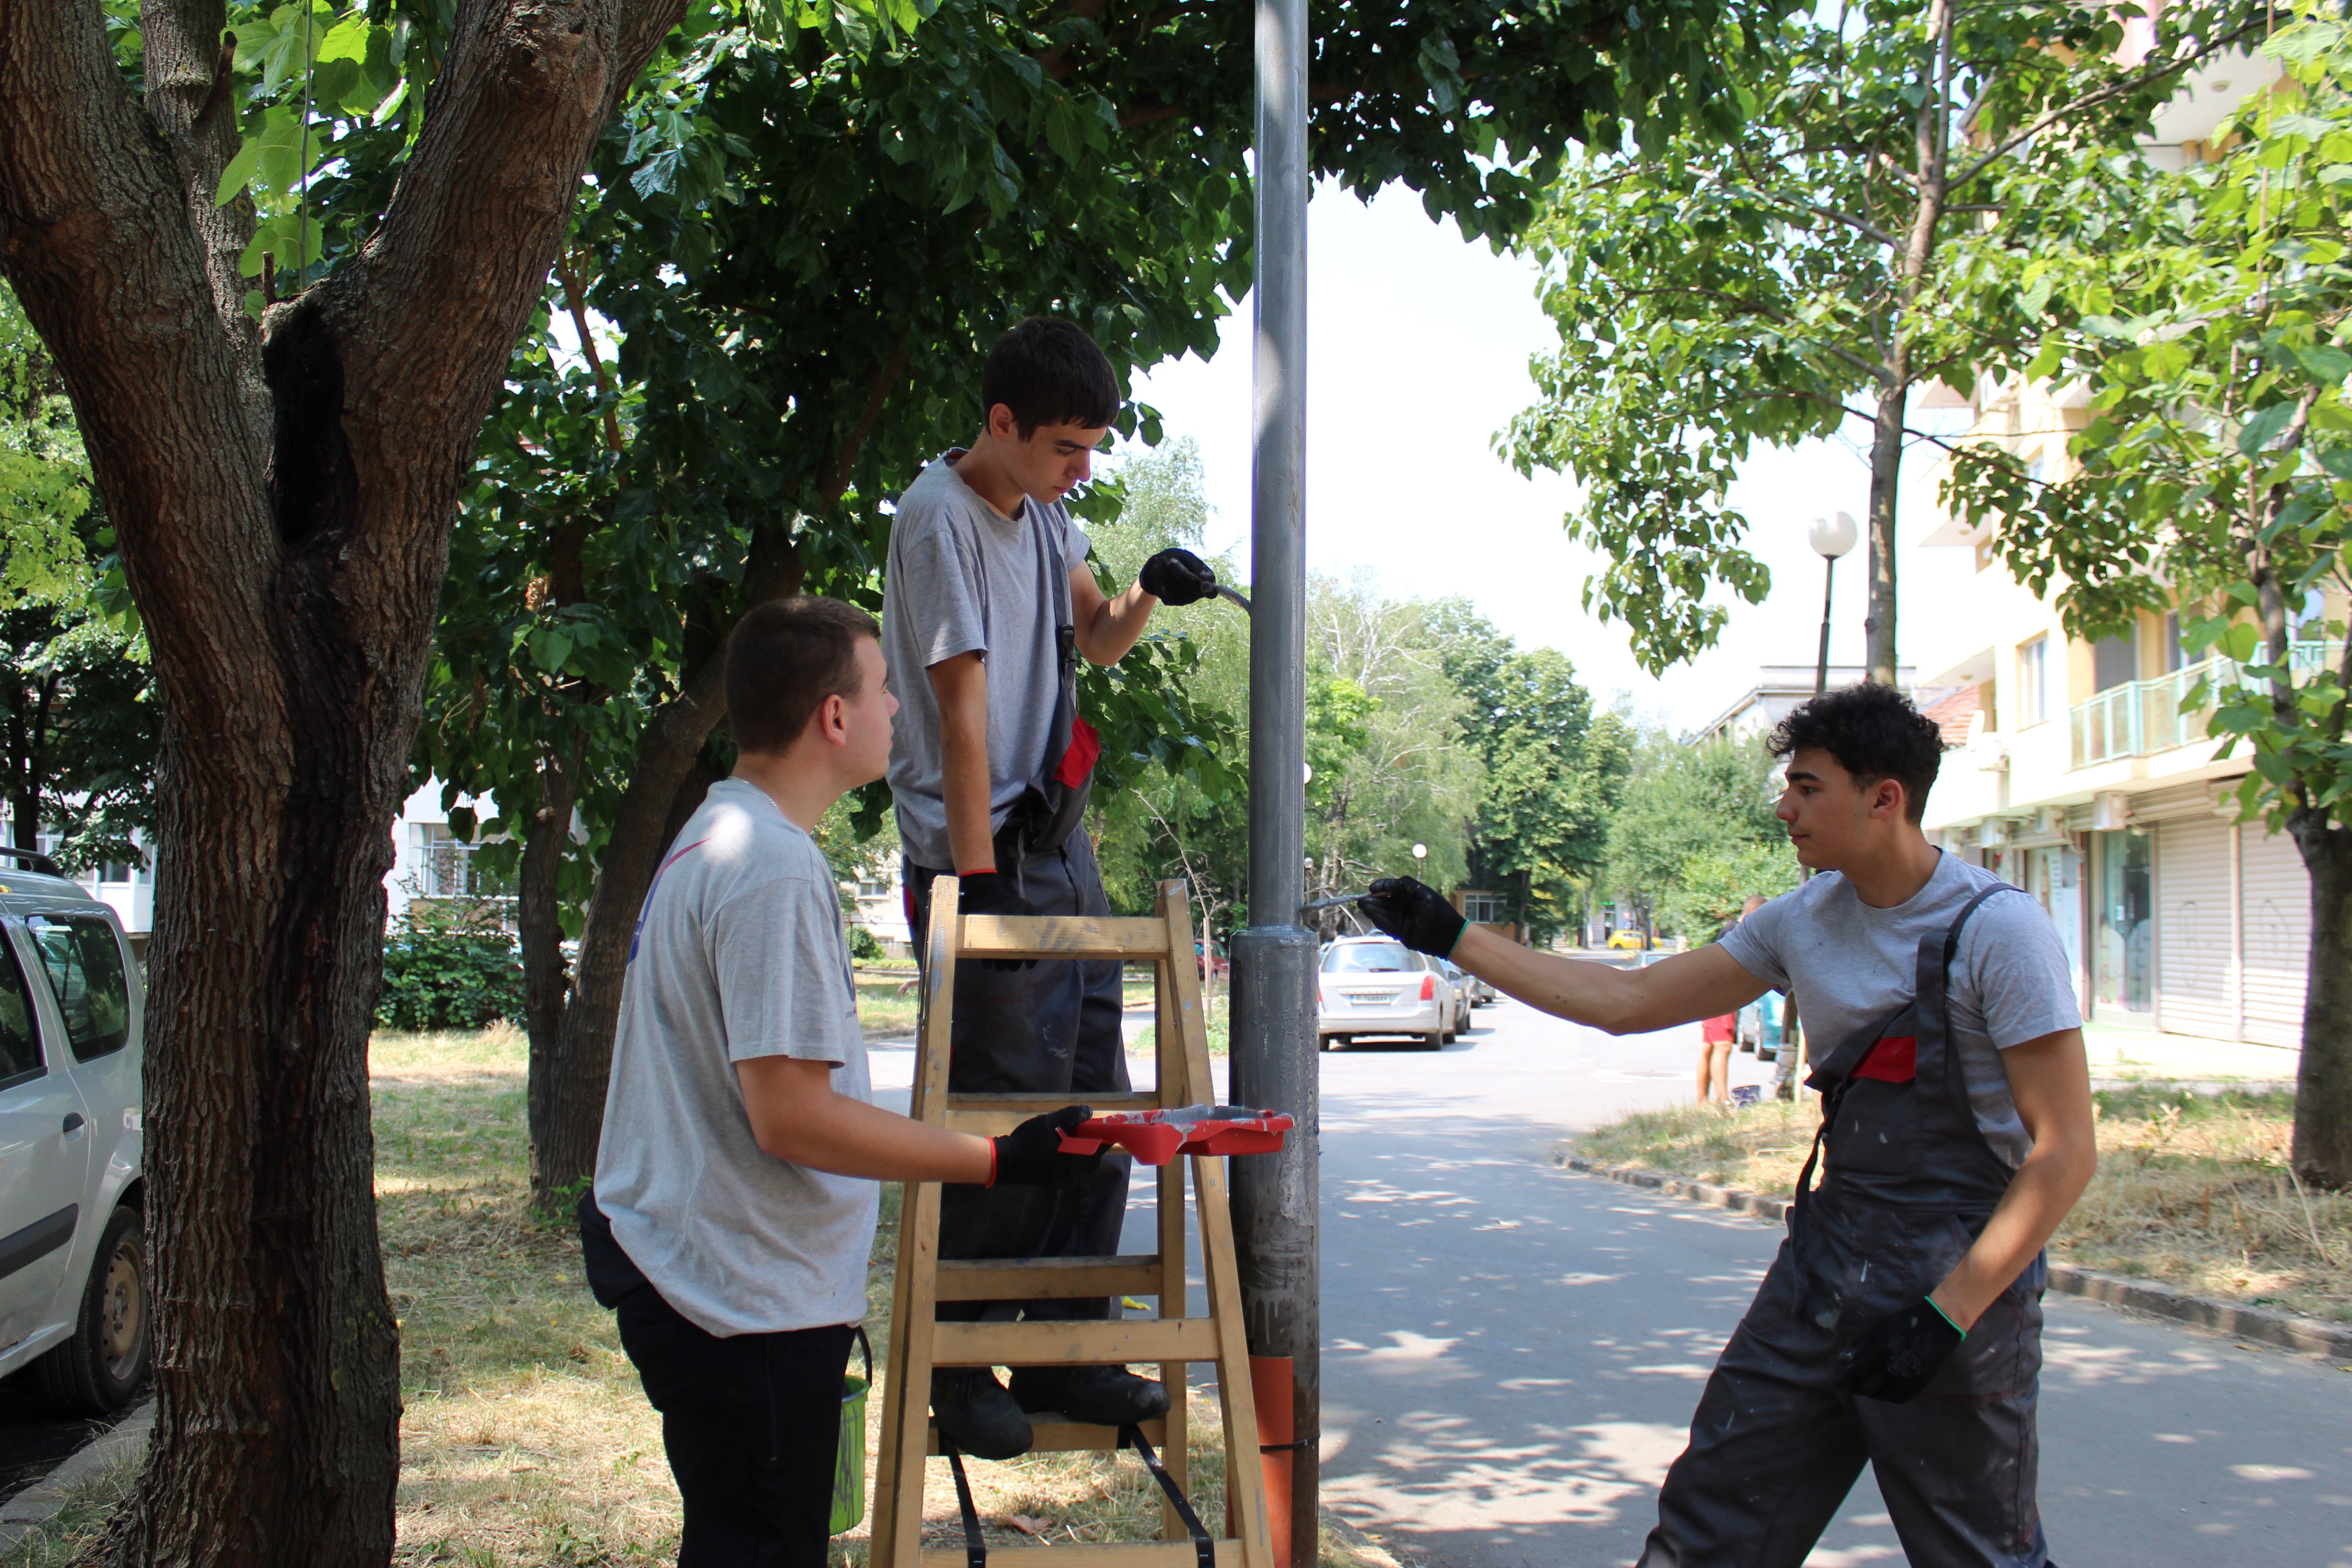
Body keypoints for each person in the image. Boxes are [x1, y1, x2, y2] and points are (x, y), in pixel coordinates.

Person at [1357, 682, 2097, 1568]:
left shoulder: (1999, 932)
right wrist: (1450, 937)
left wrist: (1946, 1316)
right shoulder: (1799, 922)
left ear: (1884, 798)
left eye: (1807, 787)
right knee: (1709, 1531)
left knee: (1980, 1556)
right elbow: (1629, 1000)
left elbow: (2066, 1153)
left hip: (1958, 1291)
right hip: (1825, 1268)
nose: (1785, 807)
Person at [578, 596, 1107, 1568]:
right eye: (883, 691)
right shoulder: (770, 869)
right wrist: (997, 1160)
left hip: (721, 1285)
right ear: (833, 716)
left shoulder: (719, 835)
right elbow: (793, 1118)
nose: (900, 710)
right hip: (735, 1301)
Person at [882, 317, 1219, 1458]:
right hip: (979, 853)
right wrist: (974, 893)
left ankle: (1070, 1346)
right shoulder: (938, 521)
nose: (1085, 467)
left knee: (1096, 1099)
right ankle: (965, 1362)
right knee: (1008, 1113)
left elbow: (1102, 639)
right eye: (1068, 445)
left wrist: (1146, 591)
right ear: (1002, 424)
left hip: (1055, 843)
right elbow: (963, 717)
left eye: (1092, 448)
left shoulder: (1043, 514)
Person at [1695, 896, 1765, 1103]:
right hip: (1720, 997)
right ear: (1754, 914)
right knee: (1723, 1046)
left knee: (1709, 1048)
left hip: (1715, 995)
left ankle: (1702, 1101)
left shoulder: (1733, 929)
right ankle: (1722, 1100)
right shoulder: (1736, 932)